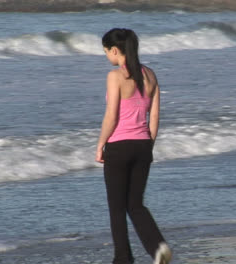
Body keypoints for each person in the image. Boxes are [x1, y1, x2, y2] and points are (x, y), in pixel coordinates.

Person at [95, 28, 172, 264]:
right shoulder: (150, 75)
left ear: (115, 50)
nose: (107, 56)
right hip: (143, 146)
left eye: (106, 51)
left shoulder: (115, 76)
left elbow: (112, 116)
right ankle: (158, 248)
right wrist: (149, 145)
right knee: (135, 204)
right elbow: (155, 116)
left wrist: (100, 145)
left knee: (117, 208)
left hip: (119, 147)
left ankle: (123, 259)